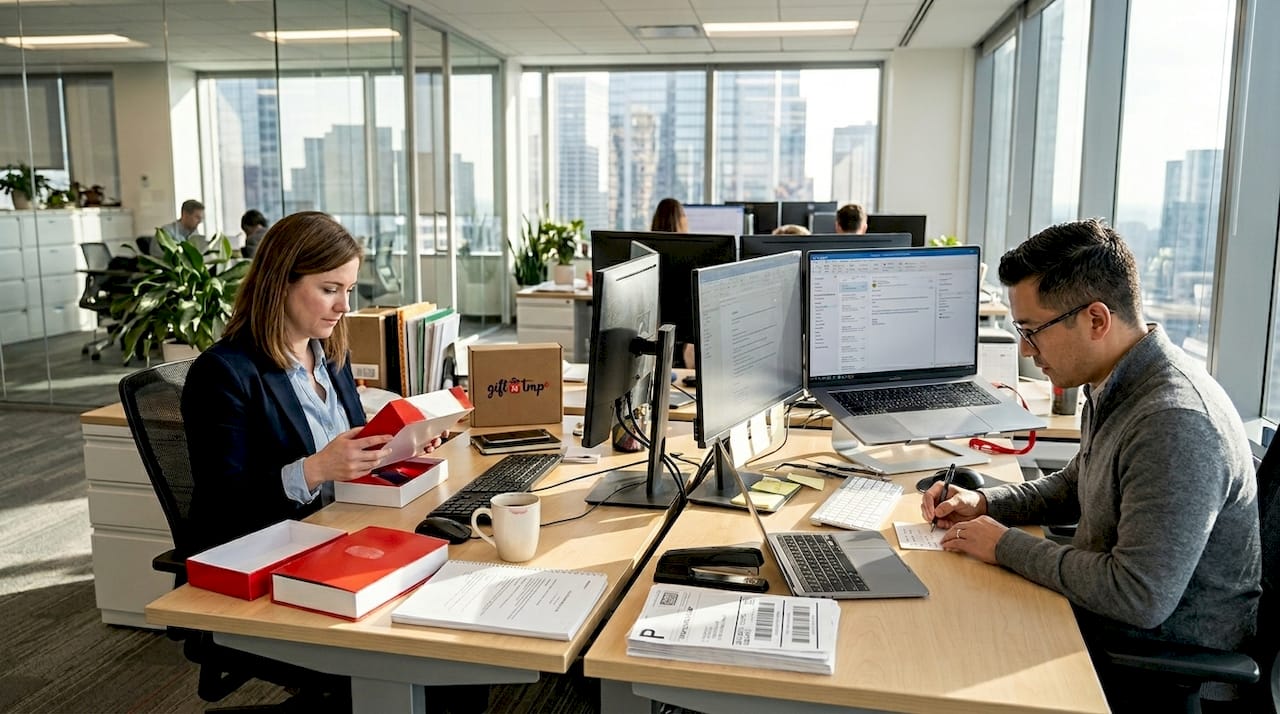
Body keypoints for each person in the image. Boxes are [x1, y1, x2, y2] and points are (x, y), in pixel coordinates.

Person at [921, 219, 1260, 709]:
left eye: (1032, 331)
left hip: (1152, 663)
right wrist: (981, 502)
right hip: (1102, 624)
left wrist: (1004, 545)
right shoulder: (1117, 381)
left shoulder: (1174, 422)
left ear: (1096, 320)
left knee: (945, 658)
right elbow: (1077, 484)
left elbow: (1137, 596)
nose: (1024, 350)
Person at [182, 211, 391, 552]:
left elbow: (352, 453)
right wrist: (314, 470)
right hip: (264, 552)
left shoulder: (333, 355)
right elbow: (224, 503)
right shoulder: (223, 373)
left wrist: (398, 445)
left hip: (340, 531)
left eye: (349, 290)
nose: (344, 306)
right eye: (329, 289)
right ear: (281, 283)